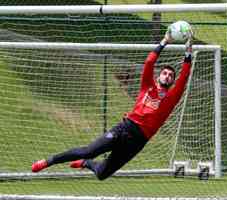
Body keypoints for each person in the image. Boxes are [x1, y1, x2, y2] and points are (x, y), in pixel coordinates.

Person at [31, 30, 193, 180]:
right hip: (125, 128)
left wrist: (188, 49)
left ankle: (86, 163)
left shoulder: (172, 97)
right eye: (164, 73)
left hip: (137, 142)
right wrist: (165, 40)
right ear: (158, 77)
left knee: (102, 174)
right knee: (89, 151)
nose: (167, 76)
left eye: (171, 75)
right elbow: (149, 62)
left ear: (172, 81)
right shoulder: (147, 86)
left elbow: (185, 75)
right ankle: (49, 161)